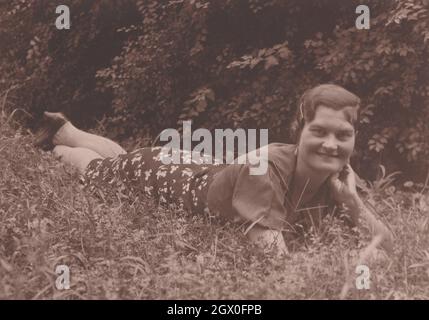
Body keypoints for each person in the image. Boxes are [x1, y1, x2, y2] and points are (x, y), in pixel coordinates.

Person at [34, 84, 394, 256]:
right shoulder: (265, 168)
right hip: (170, 177)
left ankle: (66, 128)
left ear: (354, 136)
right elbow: (274, 258)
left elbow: (389, 244)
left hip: (201, 167)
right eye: (319, 131)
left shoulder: (338, 174)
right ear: (298, 131)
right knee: (100, 171)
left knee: (123, 159)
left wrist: (353, 204)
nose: (332, 144)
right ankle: (61, 145)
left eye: (343, 135)